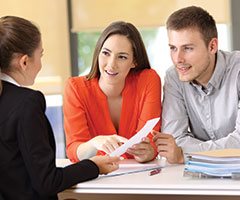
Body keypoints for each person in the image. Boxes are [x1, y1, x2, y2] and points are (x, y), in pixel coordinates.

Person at [0, 16, 120, 200]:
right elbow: (47, 182)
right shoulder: (26, 104)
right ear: (24, 62)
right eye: (40, 55)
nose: (40, 63)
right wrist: (94, 166)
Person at [63, 21, 161, 163]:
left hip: (139, 176)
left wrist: (149, 151)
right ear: (98, 53)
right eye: (106, 53)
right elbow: (74, 151)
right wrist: (94, 143)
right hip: (98, 177)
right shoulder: (75, 88)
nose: (111, 64)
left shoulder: (148, 80)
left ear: (134, 62)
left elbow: (150, 141)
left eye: (122, 57)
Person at [153, 6, 240, 164]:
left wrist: (184, 154)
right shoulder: (174, 77)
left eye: (187, 48)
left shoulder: (238, 71)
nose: (178, 59)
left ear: (212, 46)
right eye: (173, 48)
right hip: (199, 178)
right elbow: (173, 140)